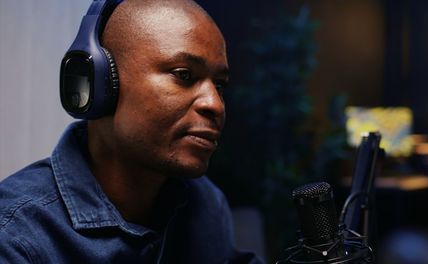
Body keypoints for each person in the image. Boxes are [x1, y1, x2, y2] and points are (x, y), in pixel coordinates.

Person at [0, 0, 262, 263]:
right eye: (184, 75)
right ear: (100, 83)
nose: (215, 104)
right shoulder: (14, 235)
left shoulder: (204, 203)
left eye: (220, 85)